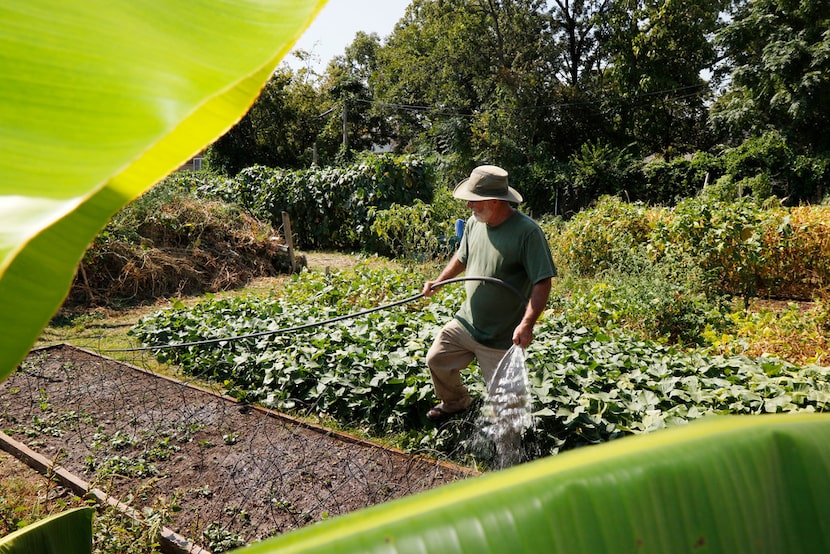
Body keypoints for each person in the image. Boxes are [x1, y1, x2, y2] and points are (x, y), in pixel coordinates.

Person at [421, 165, 556, 422]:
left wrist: (527, 324)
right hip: (467, 322)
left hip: (501, 336)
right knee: (437, 359)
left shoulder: (527, 232)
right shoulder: (474, 223)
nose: (469, 206)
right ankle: (457, 402)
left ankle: (510, 453)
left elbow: (543, 281)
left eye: (474, 201)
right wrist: (439, 281)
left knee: (507, 408)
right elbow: (461, 258)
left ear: (494, 201)